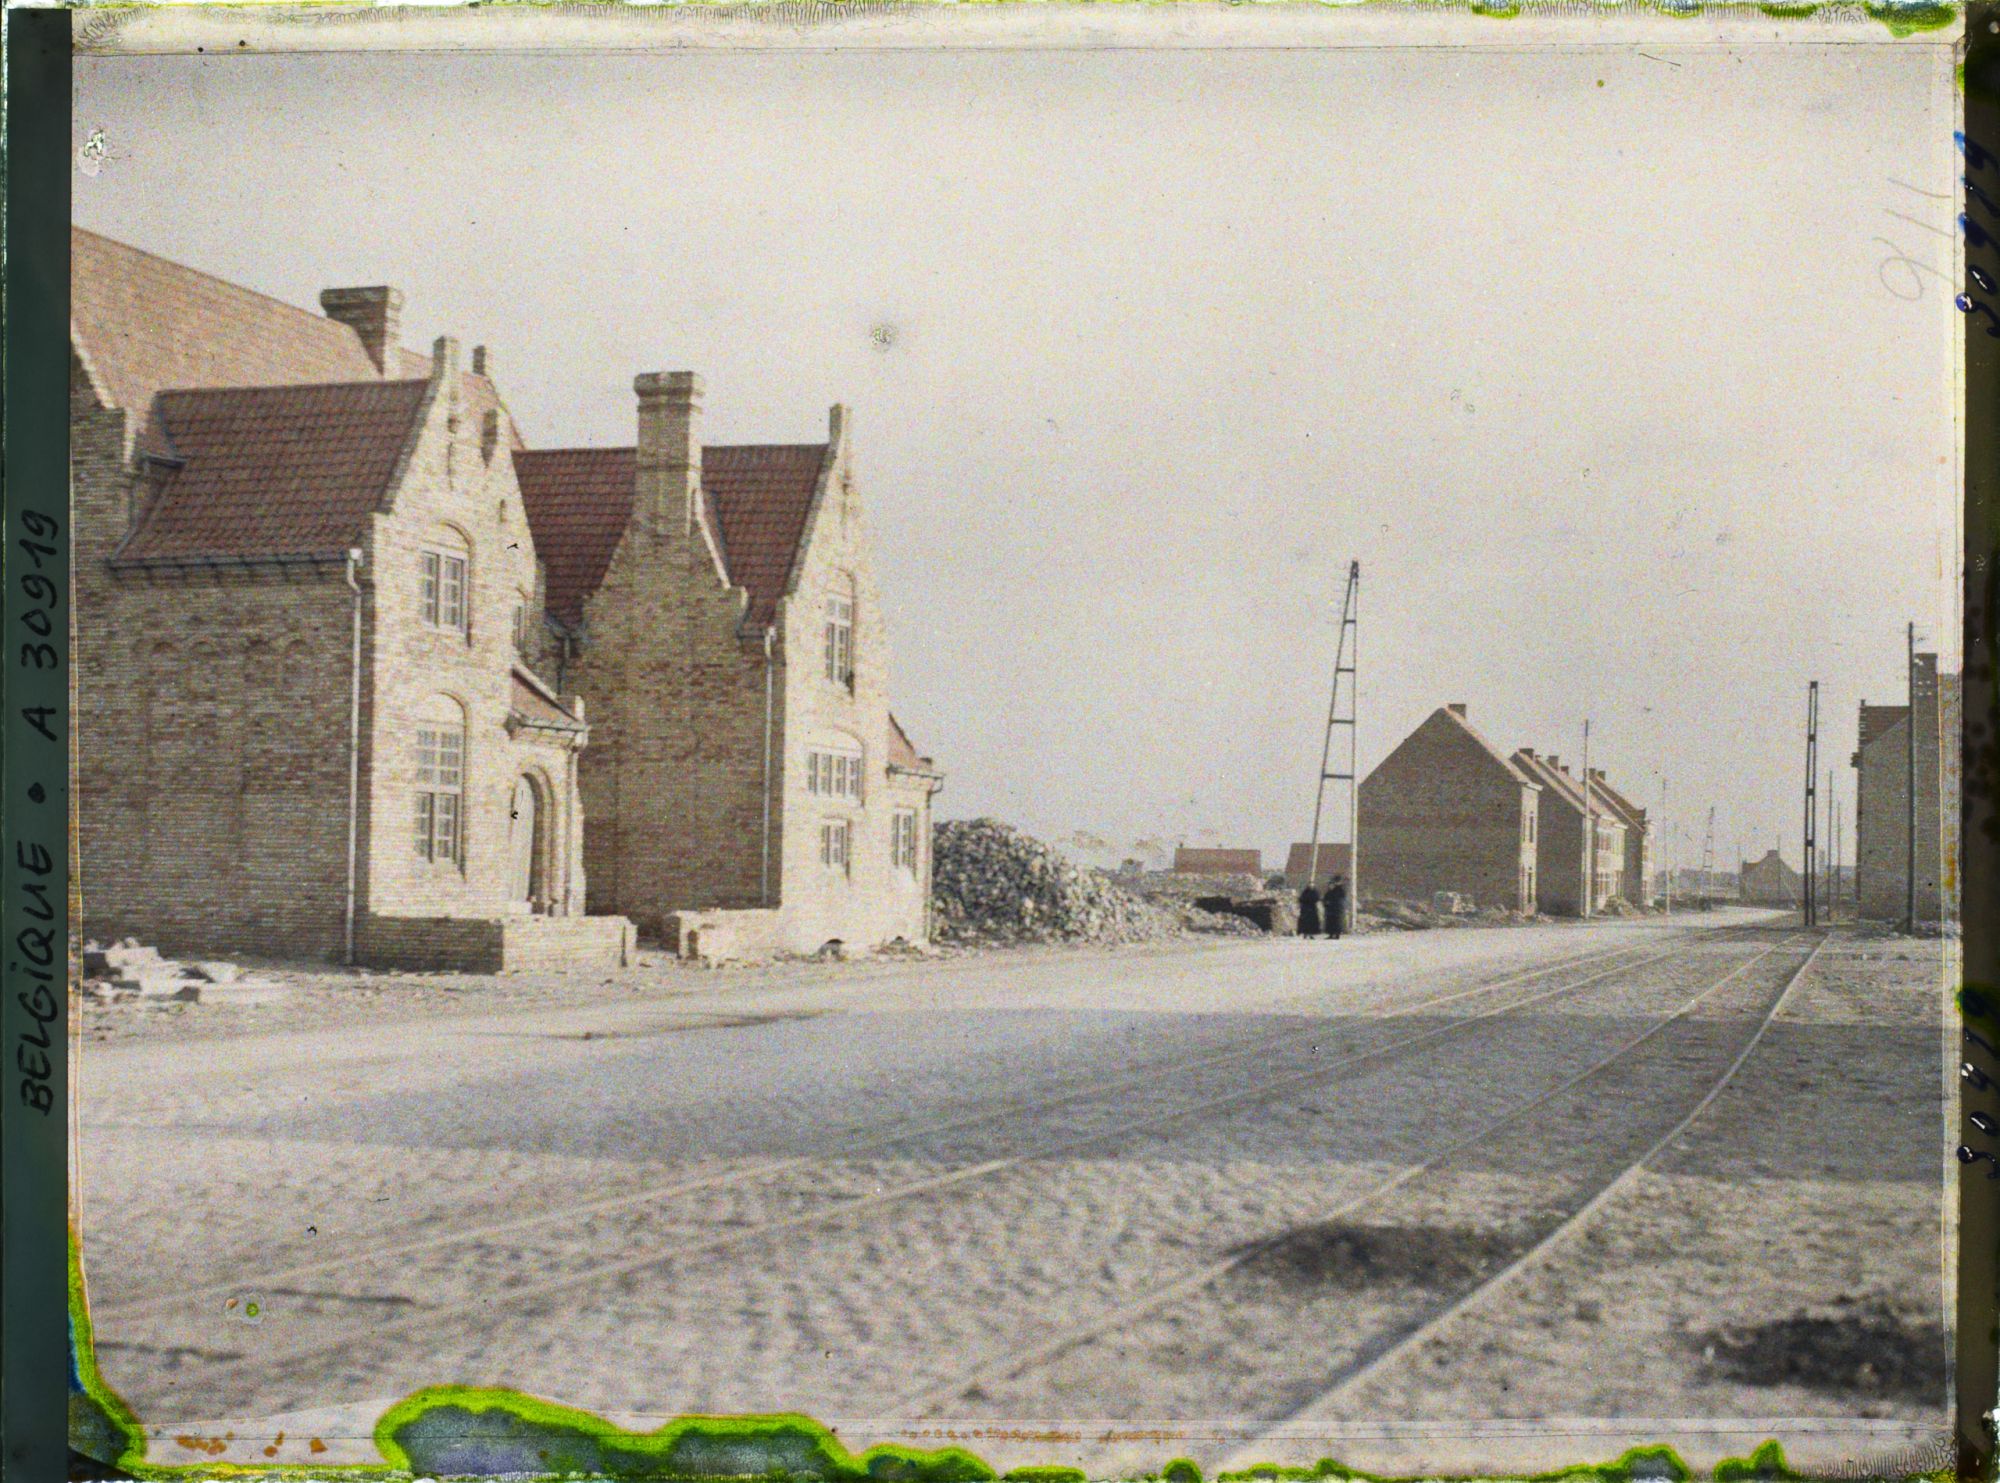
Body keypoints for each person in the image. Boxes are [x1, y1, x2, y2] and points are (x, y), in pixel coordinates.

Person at [1324, 874, 1348, 940]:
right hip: (1332, 908)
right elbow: (1327, 897)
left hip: (1337, 908)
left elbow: (1340, 898)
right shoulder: (1332, 889)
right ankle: (1331, 934)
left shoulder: (1340, 889)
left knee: (1337, 921)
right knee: (1331, 921)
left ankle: (1336, 934)